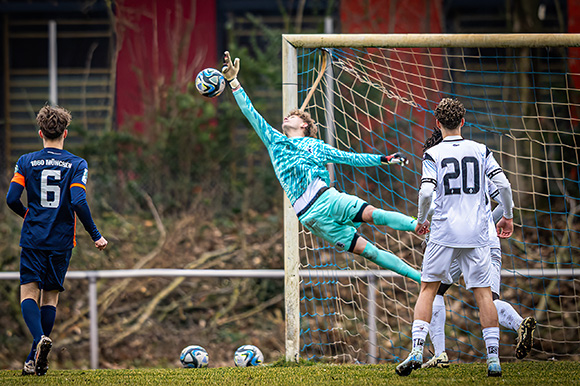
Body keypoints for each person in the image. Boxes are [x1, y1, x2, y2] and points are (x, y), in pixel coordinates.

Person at [221, 51, 420, 283]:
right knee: (370, 253)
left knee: (373, 214)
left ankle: (420, 227)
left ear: (304, 124)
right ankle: (421, 278)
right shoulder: (276, 142)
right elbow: (251, 113)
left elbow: (350, 158)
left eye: (292, 116)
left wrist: (382, 159)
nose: (286, 117)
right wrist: (233, 82)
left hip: (328, 199)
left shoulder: (316, 146)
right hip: (311, 218)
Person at [395, 98, 514, 378]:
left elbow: (426, 193)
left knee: (428, 289)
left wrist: (422, 219)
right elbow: (504, 185)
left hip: (445, 233)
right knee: (484, 294)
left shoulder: (433, 154)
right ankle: (494, 360)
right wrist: (507, 214)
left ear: (437, 123)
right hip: (476, 234)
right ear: (463, 121)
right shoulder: (481, 150)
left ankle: (416, 350)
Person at [419, 128, 536, 368]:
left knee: (435, 291)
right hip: (485, 239)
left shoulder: (438, 165)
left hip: (453, 239)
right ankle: (517, 324)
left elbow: (430, 202)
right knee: (488, 297)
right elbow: (505, 198)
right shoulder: (478, 163)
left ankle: (439, 353)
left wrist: (425, 224)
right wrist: (491, 223)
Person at [6, 105, 108, 376]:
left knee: (28, 292)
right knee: (49, 297)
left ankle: (37, 344)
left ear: (40, 132)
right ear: (66, 133)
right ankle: (33, 358)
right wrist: (95, 234)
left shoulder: (26, 161)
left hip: (33, 237)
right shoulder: (77, 164)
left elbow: (11, 199)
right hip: (61, 240)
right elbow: (78, 201)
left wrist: (28, 215)